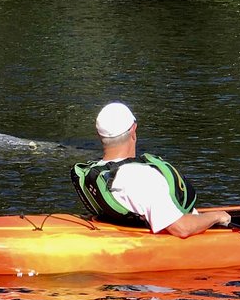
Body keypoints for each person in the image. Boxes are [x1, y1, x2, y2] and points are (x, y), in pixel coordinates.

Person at [71, 101, 230, 238]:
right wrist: (216, 216)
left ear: (100, 135)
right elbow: (181, 228)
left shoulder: (97, 171)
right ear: (133, 130)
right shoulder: (139, 177)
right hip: (180, 238)